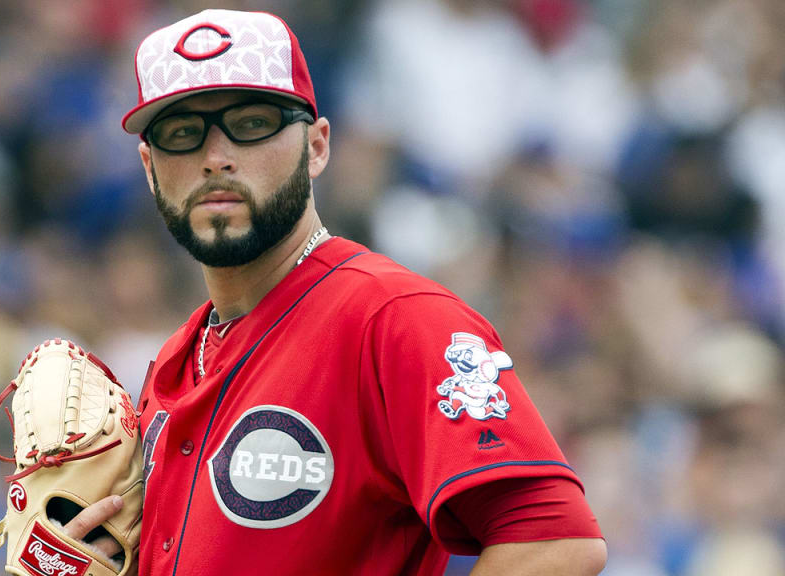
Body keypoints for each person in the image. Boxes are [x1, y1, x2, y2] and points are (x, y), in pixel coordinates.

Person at [65, 8, 606, 575]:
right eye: (182, 134)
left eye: (250, 123)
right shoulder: (176, 362)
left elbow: (555, 543)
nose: (215, 157)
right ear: (150, 168)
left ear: (317, 147)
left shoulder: (396, 319)